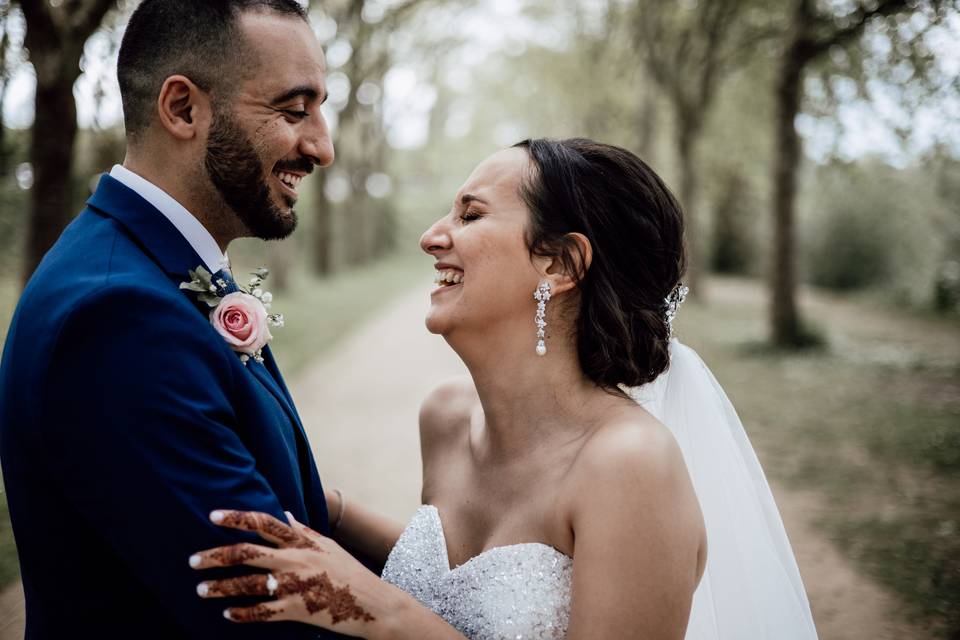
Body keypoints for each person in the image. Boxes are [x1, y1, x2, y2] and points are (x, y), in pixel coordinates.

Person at [188, 139, 819, 639]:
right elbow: (450, 587)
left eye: (470, 213)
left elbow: (414, 611)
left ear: (559, 264)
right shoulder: (445, 418)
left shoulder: (629, 466)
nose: (431, 236)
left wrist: (375, 612)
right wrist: (317, 505)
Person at [0, 1, 350, 637]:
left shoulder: (151, 271)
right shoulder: (115, 316)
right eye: (294, 110)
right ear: (183, 108)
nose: (321, 146)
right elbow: (269, 617)